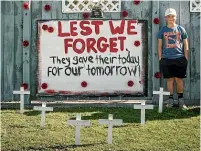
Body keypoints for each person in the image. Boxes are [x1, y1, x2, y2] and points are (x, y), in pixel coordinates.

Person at [157, 8, 189, 108]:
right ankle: (170, 100)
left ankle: (181, 101)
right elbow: (159, 45)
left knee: (179, 80)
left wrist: (186, 57)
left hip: (179, 58)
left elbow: (185, 43)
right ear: (166, 18)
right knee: (170, 80)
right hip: (166, 59)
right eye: (169, 16)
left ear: (176, 17)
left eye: (173, 16)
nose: (171, 18)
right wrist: (160, 57)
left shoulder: (181, 29)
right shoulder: (162, 30)